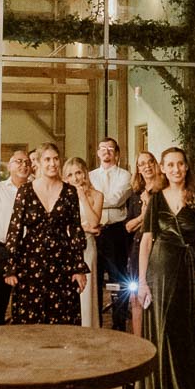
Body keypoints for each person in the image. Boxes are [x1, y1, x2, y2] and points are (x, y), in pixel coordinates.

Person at [136, 148, 195, 389]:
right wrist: (142, 281)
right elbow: (147, 241)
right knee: (162, 328)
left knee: (186, 330)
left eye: (180, 164)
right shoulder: (155, 198)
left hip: (189, 269)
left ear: (187, 167)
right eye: (170, 165)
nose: (175, 169)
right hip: (159, 269)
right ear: (162, 168)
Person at [3, 144, 88, 326]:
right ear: (39, 163)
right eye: (47, 159)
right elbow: (15, 229)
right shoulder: (25, 191)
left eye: (56, 159)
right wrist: (11, 266)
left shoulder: (70, 192)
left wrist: (79, 267)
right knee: (30, 319)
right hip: (30, 262)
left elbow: (75, 230)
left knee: (63, 318)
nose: (52, 163)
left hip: (62, 262)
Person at [89, 138, 134, 331]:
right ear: (98, 153)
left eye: (110, 149)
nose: (106, 151)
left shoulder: (126, 176)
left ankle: (119, 324)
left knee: (119, 280)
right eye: (103, 148)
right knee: (94, 279)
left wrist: (94, 199)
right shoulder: (89, 176)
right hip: (93, 231)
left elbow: (117, 199)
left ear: (117, 153)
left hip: (116, 232)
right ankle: (94, 323)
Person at [0, 150, 30, 326]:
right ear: (9, 166)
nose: (24, 165)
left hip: (28, 252)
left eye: (27, 162)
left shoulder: (36, 190)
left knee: (26, 304)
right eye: (18, 161)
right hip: (0, 251)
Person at [124, 151, 162, 340]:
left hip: (158, 249)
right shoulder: (135, 195)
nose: (146, 166)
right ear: (138, 169)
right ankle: (139, 341)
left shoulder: (164, 191)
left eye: (150, 162)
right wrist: (143, 214)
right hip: (137, 248)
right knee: (135, 297)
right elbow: (129, 227)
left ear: (156, 164)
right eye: (141, 164)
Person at [62, 158, 103, 327]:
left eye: (78, 172)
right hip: (66, 248)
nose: (75, 178)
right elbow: (60, 225)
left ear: (85, 173)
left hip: (88, 247)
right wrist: (82, 227)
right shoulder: (62, 197)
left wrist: (82, 197)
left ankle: (88, 328)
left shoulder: (97, 195)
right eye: (70, 174)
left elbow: (94, 222)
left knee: (86, 293)